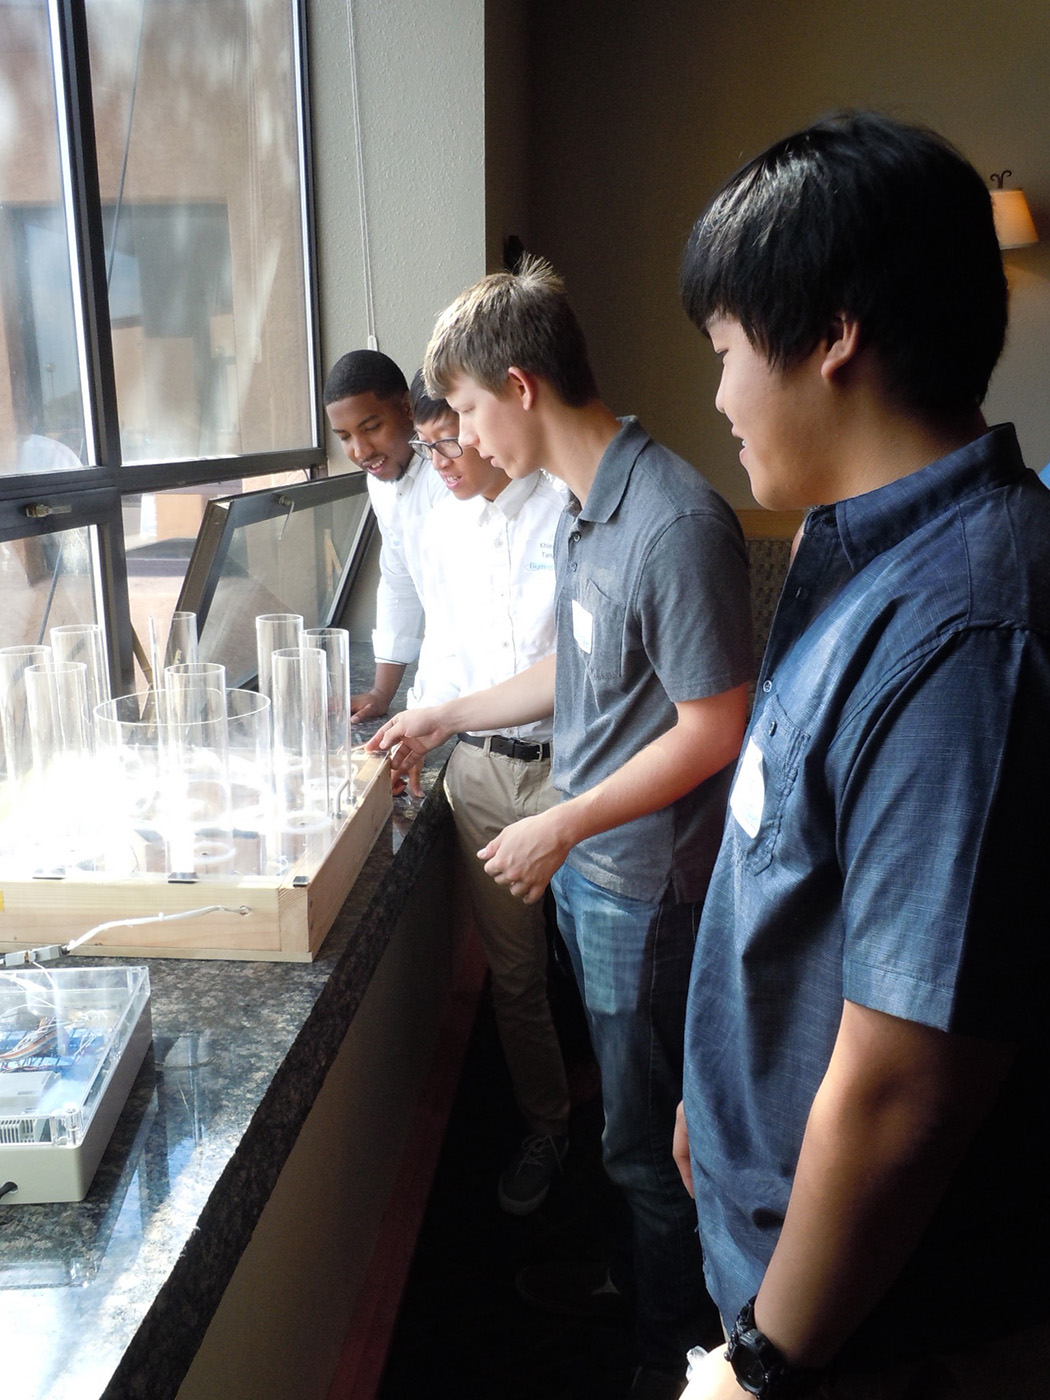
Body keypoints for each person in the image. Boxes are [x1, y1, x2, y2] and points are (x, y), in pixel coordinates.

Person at [676, 110, 1050, 1399]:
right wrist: (710, 1094)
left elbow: (909, 1089)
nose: (719, 395)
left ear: (833, 330)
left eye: (725, 348)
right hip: (799, 1266)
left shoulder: (969, 629)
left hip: (874, 1332)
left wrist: (763, 1362)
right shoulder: (867, 555)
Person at [369, 257, 753, 1396]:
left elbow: (714, 727)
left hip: (646, 882)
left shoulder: (675, 519)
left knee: (656, 1141)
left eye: (473, 412)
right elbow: (569, 680)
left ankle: (670, 1354)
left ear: (522, 386)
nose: (468, 443)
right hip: (599, 864)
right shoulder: (592, 512)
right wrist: (443, 710)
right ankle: (641, 1291)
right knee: (627, 1126)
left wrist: (563, 823)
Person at [407, 368, 572, 1214]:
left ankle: (645, 1143)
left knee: (605, 969)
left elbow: (582, 667)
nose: (439, 458)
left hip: (575, 768)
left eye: (449, 435)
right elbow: (440, 647)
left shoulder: (567, 502)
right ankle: (549, 1126)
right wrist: (415, 732)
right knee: (515, 976)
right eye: (425, 444)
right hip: (478, 771)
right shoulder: (438, 527)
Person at [323, 350, 444, 720]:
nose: (360, 451)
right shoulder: (380, 481)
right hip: (445, 701)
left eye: (371, 428)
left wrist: (429, 712)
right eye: (344, 437)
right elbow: (399, 579)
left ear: (407, 408)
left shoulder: (452, 472)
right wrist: (381, 693)